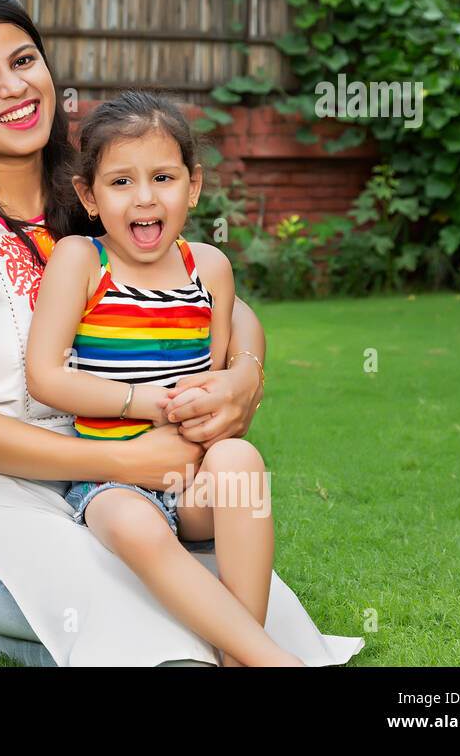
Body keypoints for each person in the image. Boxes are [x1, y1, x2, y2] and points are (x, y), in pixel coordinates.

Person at [0, 0, 364, 666]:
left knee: (246, 610)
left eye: (23, 61)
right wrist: (125, 458)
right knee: (150, 622)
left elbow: (228, 306)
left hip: (133, 476)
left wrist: (242, 379)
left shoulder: (99, 201)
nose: (14, 88)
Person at [24, 91, 301, 666]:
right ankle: (268, 658)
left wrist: (220, 393)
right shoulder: (82, 261)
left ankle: (237, 653)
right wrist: (141, 403)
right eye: (120, 182)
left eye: (163, 177)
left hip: (191, 477)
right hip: (111, 479)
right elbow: (44, 377)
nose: (144, 198)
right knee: (130, 520)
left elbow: (221, 374)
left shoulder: (211, 269)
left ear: (193, 186)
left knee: (242, 463)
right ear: (88, 195)